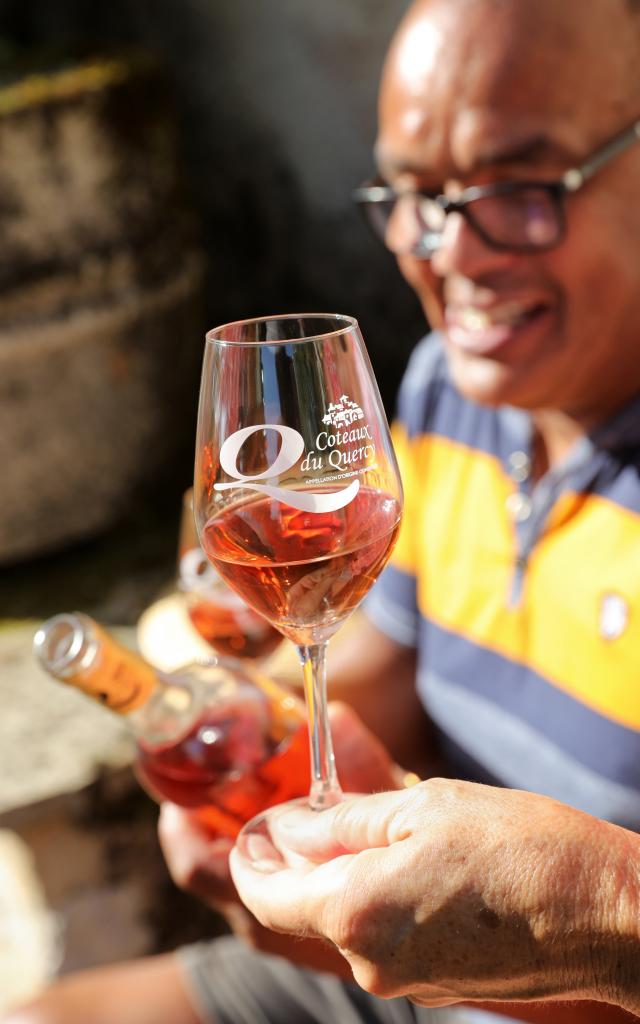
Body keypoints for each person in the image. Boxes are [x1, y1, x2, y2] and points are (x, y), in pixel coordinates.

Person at [5, 0, 640, 1021]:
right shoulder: (443, 391)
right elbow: (371, 690)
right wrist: (250, 746)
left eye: (520, 186)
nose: (448, 250)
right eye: (410, 192)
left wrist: (600, 910)